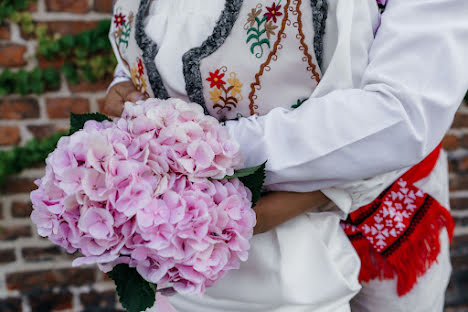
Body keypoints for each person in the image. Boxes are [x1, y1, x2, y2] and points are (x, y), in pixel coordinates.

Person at [103, 0, 468, 311]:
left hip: (380, 208)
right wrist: (131, 88)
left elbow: (404, 113)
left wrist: (191, 151)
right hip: (224, 234)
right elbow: (176, 34)